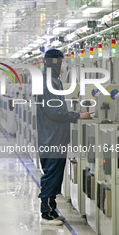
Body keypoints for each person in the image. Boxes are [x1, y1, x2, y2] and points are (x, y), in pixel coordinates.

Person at [36, 49, 90, 225]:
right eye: (63, 62)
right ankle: (46, 214)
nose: (64, 65)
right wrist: (76, 116)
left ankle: (51, 209)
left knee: (54, 173)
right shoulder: (48, 82)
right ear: (55, 63)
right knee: (51, 173)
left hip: (54, 135)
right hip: (53, 136)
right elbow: (54, 111)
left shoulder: (51, 80)